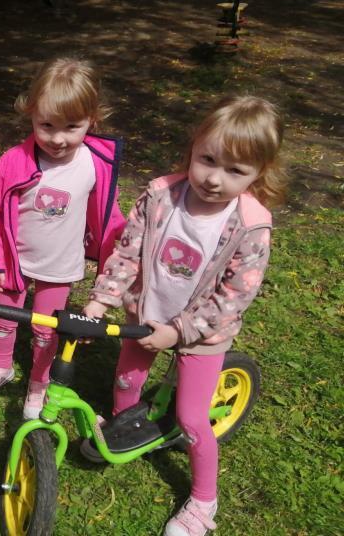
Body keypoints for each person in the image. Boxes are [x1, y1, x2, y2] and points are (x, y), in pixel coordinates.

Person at [83, 96, 286, 536]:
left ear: (259, 173)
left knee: (192, 418)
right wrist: (102, 299)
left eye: (235, 171)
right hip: (145, 313)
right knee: (127, 380)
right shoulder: (160, 196)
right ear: (193, 148)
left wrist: (178, 333)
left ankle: (203, 500)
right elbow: (128, 252)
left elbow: (233, 297)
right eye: (207, 160)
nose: (214, 178)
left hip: (201, 334)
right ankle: (124, 427)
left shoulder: (251, 226)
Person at [0, 57, 126, 419]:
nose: (58, 139)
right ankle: (1, 365)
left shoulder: (95, 164)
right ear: (31, 115)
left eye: (72, 127)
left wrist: (121, 249)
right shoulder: (13, 162)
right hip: (14, 261)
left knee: (47, 327)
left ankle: (39, 382)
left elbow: (109, 213)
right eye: (47, 126)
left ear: (92, 120)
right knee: (4, 317)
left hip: (60, 264)